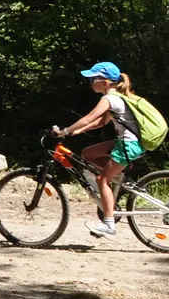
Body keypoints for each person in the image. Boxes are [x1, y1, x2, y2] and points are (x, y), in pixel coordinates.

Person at [53, 61, 143, 238]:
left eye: (94, 78)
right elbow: (102, 121)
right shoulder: (117, 97)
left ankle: (109, 225)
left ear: (106, 81)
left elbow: (88, 118)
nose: (91, 82)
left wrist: (64, 131)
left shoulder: (109, 99)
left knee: (102, 180)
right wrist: (79, 130)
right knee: (88, 153)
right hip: (126, 142)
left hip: (128, 145)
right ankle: (117, 178)